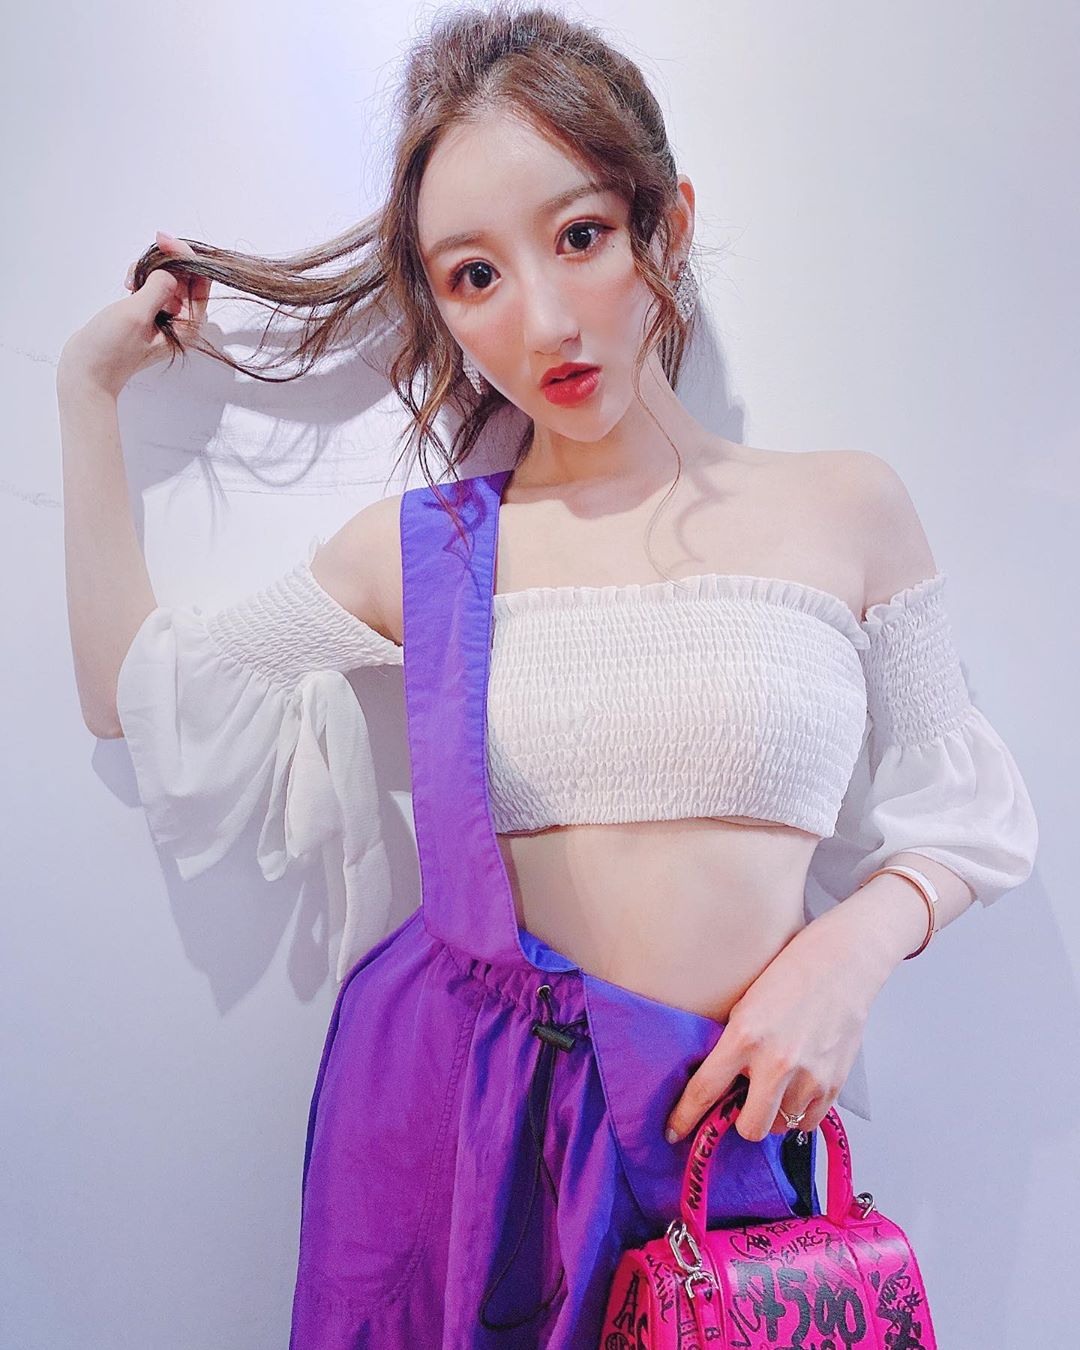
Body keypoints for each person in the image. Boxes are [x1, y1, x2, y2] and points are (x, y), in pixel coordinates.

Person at [56, 5, 1039, 1346]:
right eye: (475, 275)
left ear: (665, 225)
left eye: (580, 236)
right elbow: (138, 694)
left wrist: (849, 953)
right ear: (443, 309)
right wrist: (87, 393)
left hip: (721, 1142)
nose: (546, 319)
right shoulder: (427, 553)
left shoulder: (846, 509)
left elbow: (966, 813)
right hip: (464, 1149)